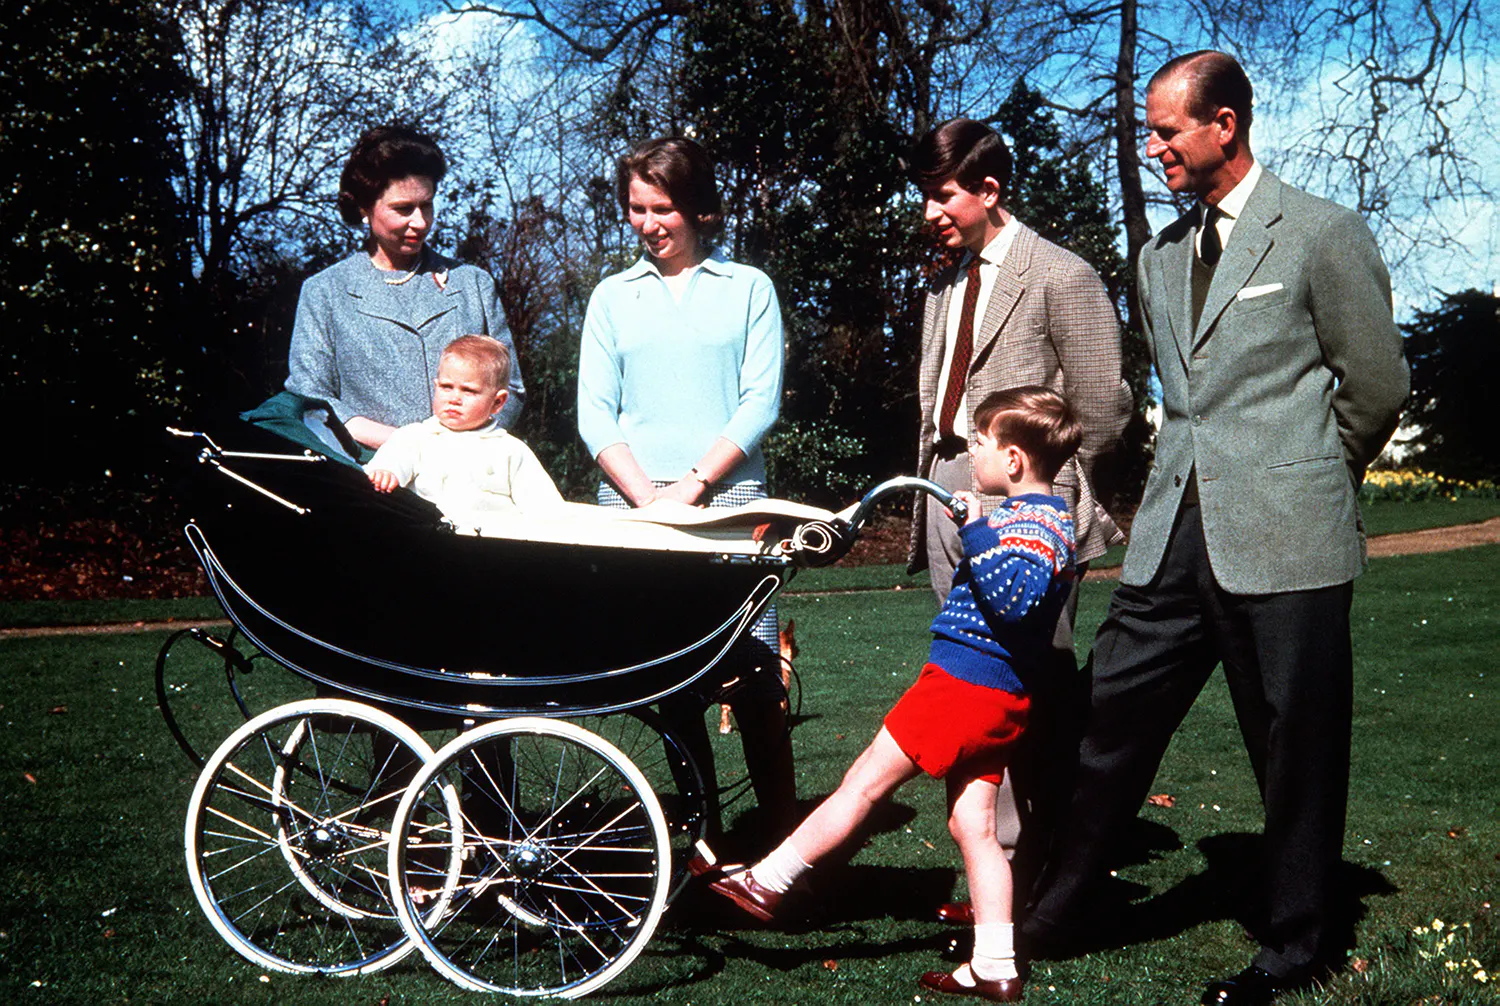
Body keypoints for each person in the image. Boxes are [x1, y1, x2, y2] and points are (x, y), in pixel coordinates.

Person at [1021, 52, 1410, 1006]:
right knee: (1104, 711)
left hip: (1289, 534)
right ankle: (1054, 913)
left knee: (1294, 741)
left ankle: (1297, 943)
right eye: (1150, 133)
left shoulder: (1321, 234)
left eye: (1166, 131)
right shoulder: (1159, 256)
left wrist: (1307, 478)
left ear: (1224, 125)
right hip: (1171, 534)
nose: (1153, 149)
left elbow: (1377, 388)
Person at [709, 387, 1081, 1004]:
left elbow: (1015, 597)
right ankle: (995, 962)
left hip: (962, 688)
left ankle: (768, 879)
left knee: (861, 786)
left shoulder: (1039, 524)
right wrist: (982, 522)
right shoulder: (1038, 518)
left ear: (1013, 459)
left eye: (980, 444)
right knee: (974, 828)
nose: (971, 454)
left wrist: (977, 533)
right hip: (997, 697)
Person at [904, 118, 1131, 911]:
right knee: (969, 679)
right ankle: (991, 864)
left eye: (942, 195)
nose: (930, 211)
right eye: (924, 196)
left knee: (1035, 681)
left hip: (1024, 505)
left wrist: (1046, 494)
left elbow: (1102, 406)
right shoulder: (943, 283)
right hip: (945, 490)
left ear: (989, 190)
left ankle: (1050, 864)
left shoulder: (1061, 275)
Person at [576, 136, 794, 837]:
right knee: (667, 679)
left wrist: (695, 485)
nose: (648, 223)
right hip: (637, 508)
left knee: (755, 670)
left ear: (698, 208)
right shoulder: (613, 297)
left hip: (731, 502)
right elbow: (593, 414)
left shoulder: (749, 289)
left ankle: (782, 836)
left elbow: (760, 401)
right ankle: (701, 837)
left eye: (662, 207)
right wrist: (650, 500)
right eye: (636, 209)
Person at [286, 124, 523, 451]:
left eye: (426, 205)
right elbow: (312, 401)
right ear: (364, 209)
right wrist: (412, 446)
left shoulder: (473, 284)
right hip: (369, 478)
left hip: (470, 474)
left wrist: (467, 445)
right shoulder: (325, 292)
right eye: (403, 209)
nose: (421, 222)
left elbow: (511, 387)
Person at [365, 335, 562, 527]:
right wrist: (385, 473)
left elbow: (545, 508)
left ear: (497, 402)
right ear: (436, 386)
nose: (454, 398)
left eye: (469, 391)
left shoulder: (511, 450)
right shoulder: (415, 437)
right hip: (428, 539)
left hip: (492, 547)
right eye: (446, 387)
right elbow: (388, 464)